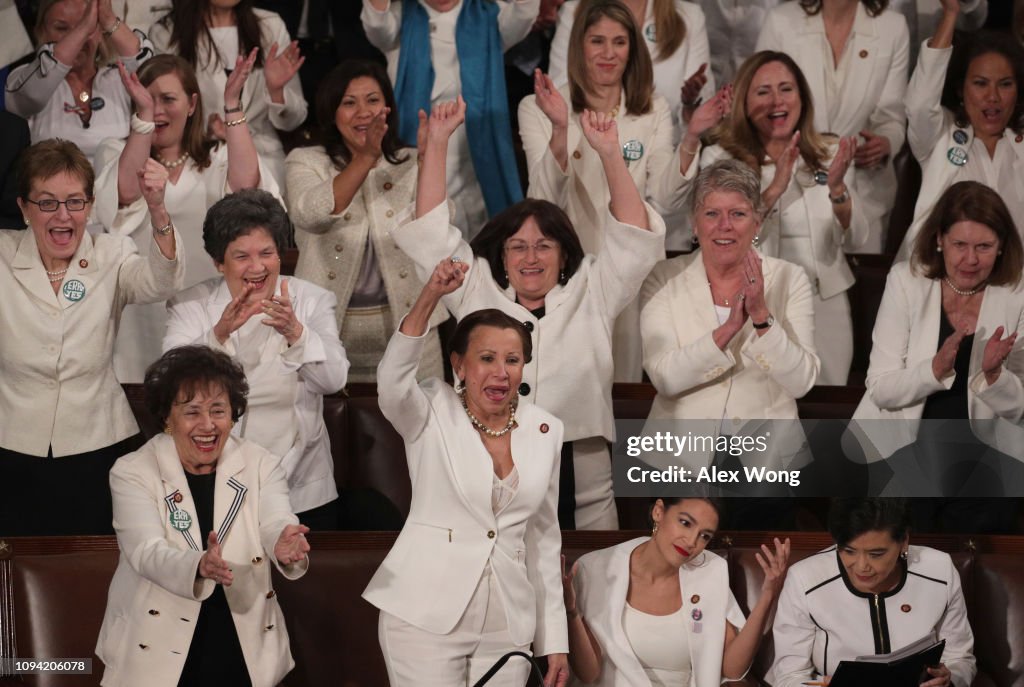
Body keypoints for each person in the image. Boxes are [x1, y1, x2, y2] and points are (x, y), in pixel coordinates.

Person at [394, 98, 665, 529]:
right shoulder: (477, 286)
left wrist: (610, 154)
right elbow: (429, 233)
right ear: (502, 257)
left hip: (582, 471)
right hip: (489, 454)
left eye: (544, 246)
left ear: (564, 253)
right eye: (518, 246)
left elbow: (635, 238)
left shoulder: (594, 286)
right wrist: (440, 144)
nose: (531, 257)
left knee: (587, 578)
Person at [362, 266, 569, 686]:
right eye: (487, 359)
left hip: (508, 625)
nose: (501, 372)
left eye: (513, 360)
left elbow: (544, 540)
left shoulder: (545, 428)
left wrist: (555, 641)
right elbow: (390, 382)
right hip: (425, 616)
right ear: (459, 364)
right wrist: (430, 295)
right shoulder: (429, 409)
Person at [96, 345, 310, 686]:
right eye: (192, 412)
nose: (208, 425)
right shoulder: (133, 470)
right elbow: (145, 551)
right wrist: (197, 566)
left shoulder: (260, 463)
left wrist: (282, 542)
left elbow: (274, 519)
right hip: (156, 640)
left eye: (218, 410)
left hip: (242, 635)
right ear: (167, 417)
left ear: (234, 414)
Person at [0, 139, 182, 536]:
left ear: (90, 205)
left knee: (93, 566)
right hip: (10, 444)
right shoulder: (1, 253)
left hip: (99, 443)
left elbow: (159, 283)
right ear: (24, 209)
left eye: (75, 201)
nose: (62, 216)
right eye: (47, 202)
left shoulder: (112, 253)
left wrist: (157, 210)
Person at [519, 0, 694, 381]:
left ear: (633, 49)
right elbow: (542, 203)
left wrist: (693, 137)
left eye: (619, 42)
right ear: (579, 45)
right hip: (564, 276)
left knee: (623, 391)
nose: (608, 53)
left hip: (629, 276)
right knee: (564, 393)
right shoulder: (540, 106)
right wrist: (562, 130)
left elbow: (665, 198)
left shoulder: (653, 108)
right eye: (597, 41)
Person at [164, 189, 349, 529]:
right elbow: (170, 384)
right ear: (219, 262)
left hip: (302, 491)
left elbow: (333, 381)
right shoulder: (190, 306)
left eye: (267, 253)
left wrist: (296, 333)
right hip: (214, 485)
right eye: (242, 256)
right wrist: (217, 334)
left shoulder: (311, 301)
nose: (257, 267)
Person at [640, 160, 818, 508]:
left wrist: (762, 318)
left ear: (757, 222)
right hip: (678, 457)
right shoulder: (662, 278)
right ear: (694, 222)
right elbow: (664, 377)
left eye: (737, 214)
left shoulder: (790, 278)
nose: (724, 226)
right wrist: (728, 330)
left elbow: (802, 381)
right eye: (711, 214)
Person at [93, 53, 278, 383]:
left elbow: (249, 190)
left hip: (208, 305)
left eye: (168, 99)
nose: (158, 108)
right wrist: (144, 120)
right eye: (148, 100)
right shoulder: (116, 151)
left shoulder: (216, 156)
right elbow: (124, 193)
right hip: (141, 309)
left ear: (192, 104)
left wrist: (232, 103)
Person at [685, 50, 866, 384]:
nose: (776, 101)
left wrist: (838, 189)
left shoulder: (830, 152)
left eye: (786, 89)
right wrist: (774, 189)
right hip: (750, 302)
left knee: (824, 406)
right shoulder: (720, 157)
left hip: (824, 302)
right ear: (744, 101)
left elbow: (856, 239)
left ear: (802, 97)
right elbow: (717, 237)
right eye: (763, 91)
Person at [850, 182, 1024, 522]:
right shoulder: (906, 281)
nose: (970, 259)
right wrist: (933, 369)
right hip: (901, 450)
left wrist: (994, 376)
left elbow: (1021, 409)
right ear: (939, 240)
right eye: (960, 244)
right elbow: (881, 389)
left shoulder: (1017, 293)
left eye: (984, 247)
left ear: (1002, 247)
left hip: (988, 459)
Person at [286, 60, 446, 382]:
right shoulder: (305, 161)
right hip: (328, 333)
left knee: (423, 429)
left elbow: (438, 233)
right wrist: (364, 159)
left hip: (411, 329)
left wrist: (433, 158)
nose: (364, 112)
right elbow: (310, 215)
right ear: (332, 112)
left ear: (387, 107)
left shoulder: (411, 162)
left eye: (372, 100)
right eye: (349, 103)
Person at [564, 497, 790, 686]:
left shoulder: (710, 572)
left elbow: (732, 669)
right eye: (685, 523)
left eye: (705, 536)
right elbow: (588, 674)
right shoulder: (595, 568)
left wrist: (768, 594)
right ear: (658, 512)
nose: (692, 541)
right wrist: (571, 612)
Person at [361, 0, 537, 238]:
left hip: (477, 144)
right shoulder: (401, 14)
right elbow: (378, 28)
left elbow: (523, 15)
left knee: (477, 228)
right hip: (417, 141)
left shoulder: (489, 11)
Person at [770, 498, 977, 687]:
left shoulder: (939, 569)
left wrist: (950, 680)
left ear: (904, 541)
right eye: (848, 551)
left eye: (876, 554)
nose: (861, 567)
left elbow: (960, 658)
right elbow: (789, 676)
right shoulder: (805, 579)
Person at [756, 0, 910, 253]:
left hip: (864, 192)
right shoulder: (781, 21)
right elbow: (760, 104)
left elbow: (892, 117)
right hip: (790, 192)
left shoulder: (892, 27)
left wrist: (885, 142)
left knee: (857, 287)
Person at [896, 3, 1024, 259]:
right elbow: (920, 102)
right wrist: (951, 14)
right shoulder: (939, 136)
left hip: (1011, 291)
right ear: (960, 90)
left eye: (1005, 84)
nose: (993, 97)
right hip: (934, 285)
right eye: (980, 83)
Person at [149, 0, 306, 188]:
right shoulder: (167, 32)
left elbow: (295, 119)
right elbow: (160, 111)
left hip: (264, 162)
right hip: (198, 161)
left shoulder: (269, 25)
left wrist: (276, 92)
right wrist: (205, 130)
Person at [4, 0, 153, 165]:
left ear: (100, 33)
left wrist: (110, 20)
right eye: (62, 28)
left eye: (88, 27)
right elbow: (30, 95)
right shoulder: (24, 78)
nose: (77, 39)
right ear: (41, 32)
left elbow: (154, 77)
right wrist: (83, 29)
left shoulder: (120, 80)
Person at [547, 0, 715, 138]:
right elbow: (559, 95)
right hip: (586, 149)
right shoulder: (573, 11)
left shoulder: (689, 17)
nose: (609, 52)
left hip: (665, 152)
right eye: (597, 41)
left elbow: (704, 119)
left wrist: (689, 105)